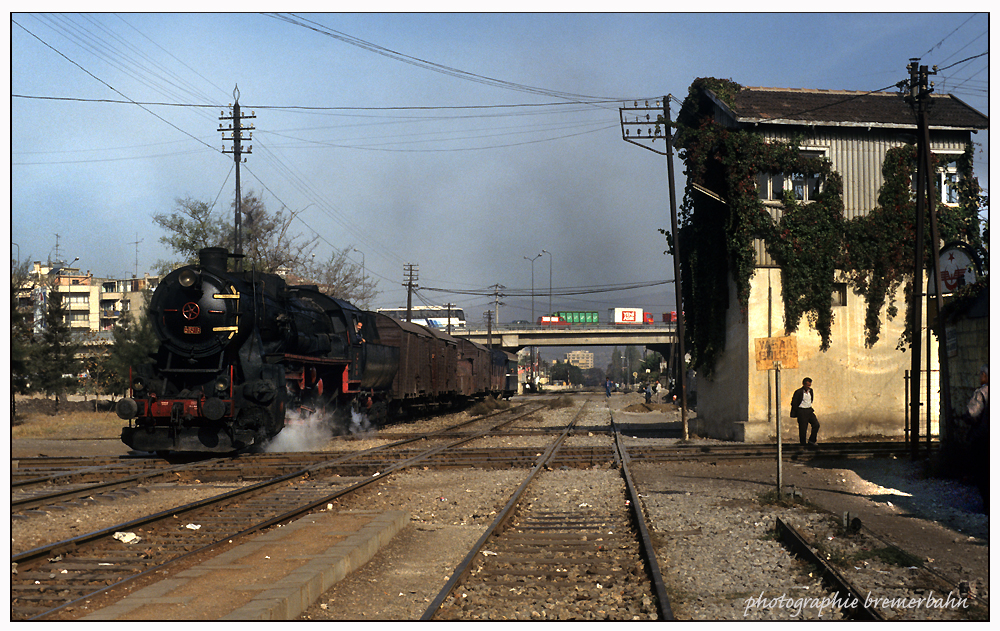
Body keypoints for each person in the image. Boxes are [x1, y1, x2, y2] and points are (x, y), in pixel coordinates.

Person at [965, 365, 988, 512]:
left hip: (984, 438)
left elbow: (972, 414)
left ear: (985, 375)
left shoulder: (982, 393)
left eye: (980, 375)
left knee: (983, 471)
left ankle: (988, 504)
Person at [790, 377, 819, 447]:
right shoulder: (798, 392)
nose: (808, 387)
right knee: (803, 429)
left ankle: (812, 440)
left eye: (809, 385)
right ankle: (803, 445)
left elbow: (811, 400)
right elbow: (794, 403)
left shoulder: (811, 391)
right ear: (803, 384)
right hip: (802, 411)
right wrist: (798, 411)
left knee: (816, 425)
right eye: (807, 385)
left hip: (809, 410)